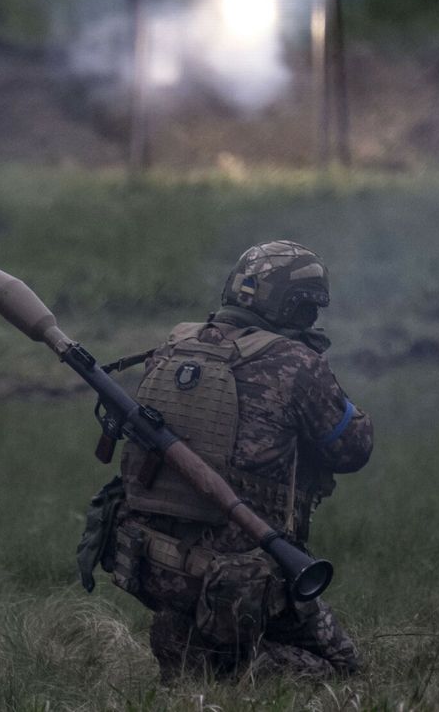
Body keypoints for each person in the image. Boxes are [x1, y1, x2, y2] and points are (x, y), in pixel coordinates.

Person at [77, 240, 373, 681]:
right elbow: (353, 449)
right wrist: (313, 368)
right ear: (294, 309)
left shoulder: (174, 346)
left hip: (150, 564)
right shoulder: (295, 364)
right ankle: (224, 669)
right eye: (309, 310)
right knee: (343, 670)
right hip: (239, 578)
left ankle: (184, 635)